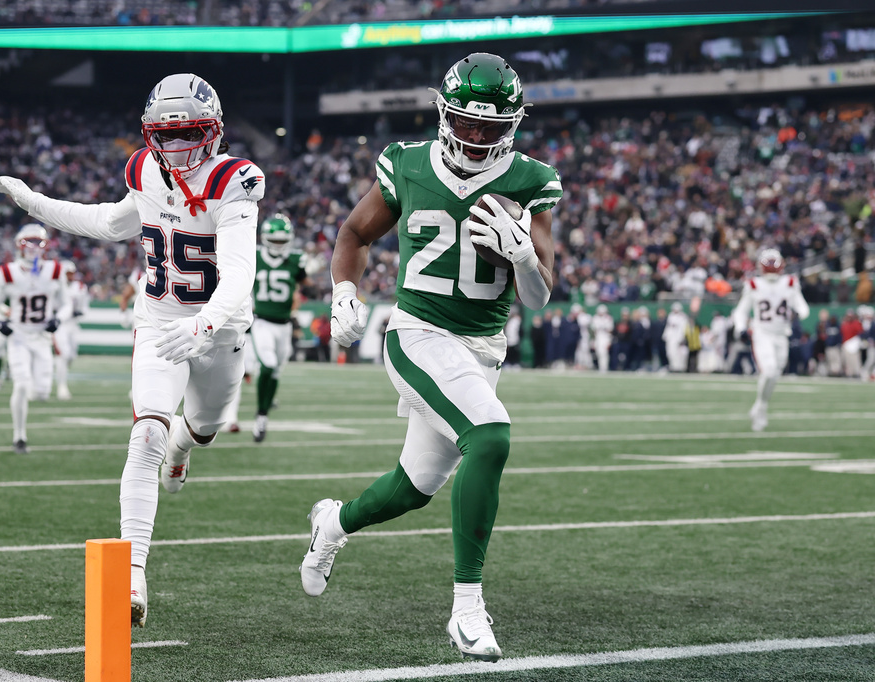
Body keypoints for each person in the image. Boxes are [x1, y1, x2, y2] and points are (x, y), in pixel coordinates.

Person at [298, 53, 559, 662]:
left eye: (489, 128)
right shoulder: (408, 163)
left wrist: (523, 257)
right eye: (465, 123)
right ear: (444, 114)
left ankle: (331, 525)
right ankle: (467, 607)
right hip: (416, 332)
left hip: (480, 347)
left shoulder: (531, 179)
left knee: (414, 486)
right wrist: (343, 293)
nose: (474, 137)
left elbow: (540, 297)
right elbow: (353, 234)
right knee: (490, 436)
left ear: (512, 126)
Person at [0, 73, 263, 628]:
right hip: (160, 320)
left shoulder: (237, 178)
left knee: (201, 428)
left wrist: (205, 325)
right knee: (145, 435)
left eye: (190, 134)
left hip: (221, 328)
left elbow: (238, 270)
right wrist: (33, 202)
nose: (177, 148)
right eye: (166, 134)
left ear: (215, 133)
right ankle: (133, 574)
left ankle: (185, 449)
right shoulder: (143, 168)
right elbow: (112, 222)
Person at [0, 225, 71, 453]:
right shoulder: (8, 272)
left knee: (41, 392)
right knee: (21, 385)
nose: (33, 247)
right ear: (19, 245)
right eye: (28, 242)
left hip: (42, 337)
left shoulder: (54, 270)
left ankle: (29, 402)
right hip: (19, 336)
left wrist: (58, 319)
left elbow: (67, 304)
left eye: (37, 242)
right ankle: (19, 437)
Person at [244, 213, 311, 441]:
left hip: (285, 326)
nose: (279, 246)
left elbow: (306, 285)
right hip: (262, 321)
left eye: (283, 241)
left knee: (276, 371)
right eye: (275, 241)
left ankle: (264, 408)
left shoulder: (295, 259)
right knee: (269, 364)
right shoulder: (253, 256)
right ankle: (261, 416)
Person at [732, 248, 810, 431]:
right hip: (762, 334)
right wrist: (741, 328)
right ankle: (761, 409)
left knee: (774, 374)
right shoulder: (753, 284)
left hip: (782, 335)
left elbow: (803, 307)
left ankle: (760, 404)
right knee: (768, 371)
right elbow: (741, 311)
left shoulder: (790, 283)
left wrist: (798, 313)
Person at [54, 260, 90, 400]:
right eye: (68, 273)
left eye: (71, 273)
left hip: (73, 325)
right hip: (60, 324)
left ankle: (59, 369)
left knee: (71, 355)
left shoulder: (80, 287)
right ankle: (61, 386)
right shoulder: (56, 286)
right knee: (63, 354)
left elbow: (84, 306)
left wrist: (80, 312)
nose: (70, 276)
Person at [591, 304, 613, 373]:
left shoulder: (608, 318)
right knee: (598, 353)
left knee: (604, 353)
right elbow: (594, 330)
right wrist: (593, 340)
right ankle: (600, 367)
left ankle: (604, 368)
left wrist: (609, 341)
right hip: (598, 338)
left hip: (605, 338)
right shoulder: (595, 318)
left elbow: (610, 330)